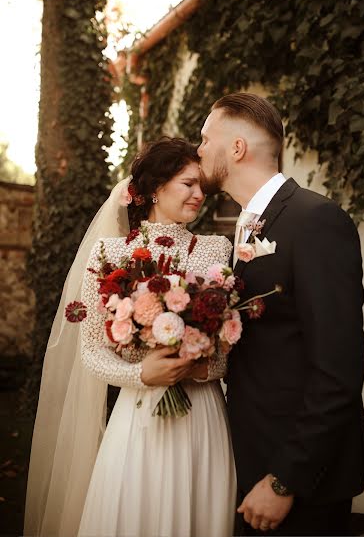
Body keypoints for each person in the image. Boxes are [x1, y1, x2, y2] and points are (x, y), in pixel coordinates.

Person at [24, 137, 236, 537]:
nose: (198, 194)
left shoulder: (216, 249)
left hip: (203, 415)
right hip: (139, 414)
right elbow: (91, 350)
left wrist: (201, 368)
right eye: (188, 184)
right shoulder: (109, 254)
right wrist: (143, 375)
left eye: (201, 187)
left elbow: (226, 349)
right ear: (155, 189)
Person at [198, 92, 364, 536]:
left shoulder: (315, 221)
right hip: (254, 461)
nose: (197, 151)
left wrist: (284, 479)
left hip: (300, 480)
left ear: (237, 149)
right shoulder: (251, 223)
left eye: (205, 139)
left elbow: (338, 367)